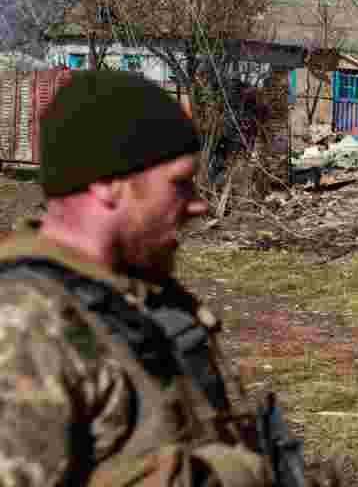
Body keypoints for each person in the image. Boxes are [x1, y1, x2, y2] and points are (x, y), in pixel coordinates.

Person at [0, 70, 275, 487]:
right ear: (109, 184)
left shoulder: (130, 293)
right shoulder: (24, 327)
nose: (198, 206)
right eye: (180, 184)